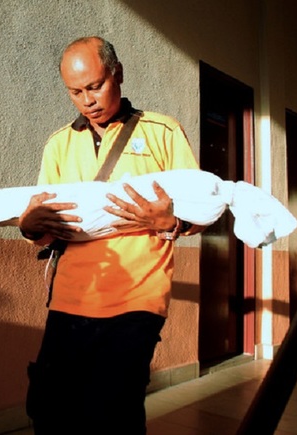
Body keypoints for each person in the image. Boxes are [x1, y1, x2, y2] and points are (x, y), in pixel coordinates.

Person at [18, 36, 205, 434]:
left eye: (96, 86)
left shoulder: (163, 133)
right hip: (69, 298)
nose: (88, 100)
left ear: (117, 73)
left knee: (111, 415)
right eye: (76, 92)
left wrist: (170, 221)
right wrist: (31, 230)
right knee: (49, 411)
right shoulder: (58, 145)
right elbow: (47, 226)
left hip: (135, 300)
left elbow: (204, 206)